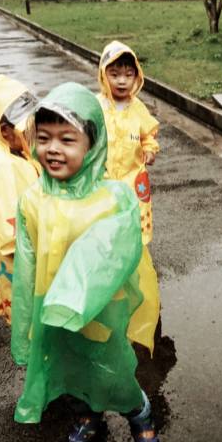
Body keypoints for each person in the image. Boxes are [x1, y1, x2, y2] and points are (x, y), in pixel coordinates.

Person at [11, 82, 160, 442]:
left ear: (91, 146)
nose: (53, 149)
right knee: (71, 373)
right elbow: (27, 266)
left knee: (113, 374)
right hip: (52, 311)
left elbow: (123, 255)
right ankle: (87, 415)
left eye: (67, 139)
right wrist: (26, 321)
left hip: (100, 311)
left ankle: (139, 415)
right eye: (43, 138)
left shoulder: (113, 197)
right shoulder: (32, 200)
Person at [96, 41, 161, 353]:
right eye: (114, 74)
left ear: (137, 77)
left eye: (128, 74)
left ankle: (132, 266)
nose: (121, 81)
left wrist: (149, 150)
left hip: (133, 182)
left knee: (133, 230)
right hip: (105, 183)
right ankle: (109, 274)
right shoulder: (97, 107)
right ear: (103, 75)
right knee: (106, 227)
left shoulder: (139, 109)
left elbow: (149, 135)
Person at [0, 75, 40, 323]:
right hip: (24, 268)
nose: (36, 134)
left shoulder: (19, 155)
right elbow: (10, 236)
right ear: (5, 132)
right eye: (30, 129)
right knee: (33, 328)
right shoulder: (2, 167)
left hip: (32, 260)